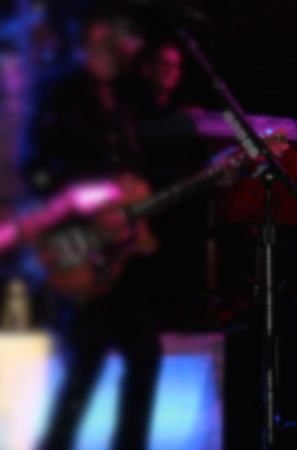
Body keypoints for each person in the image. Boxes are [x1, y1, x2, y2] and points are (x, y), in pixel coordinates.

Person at [25, 12, 161, 450]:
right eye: (127, 35)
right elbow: (38, 168)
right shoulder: (62, 92)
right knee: (88, 358)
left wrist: (134, 210)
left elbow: (127, 176)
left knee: (141, 354)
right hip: (78, 244)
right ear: (97, 36)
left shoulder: (119, 101)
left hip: (115, 250)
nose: (134, 47)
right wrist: (87, 201)